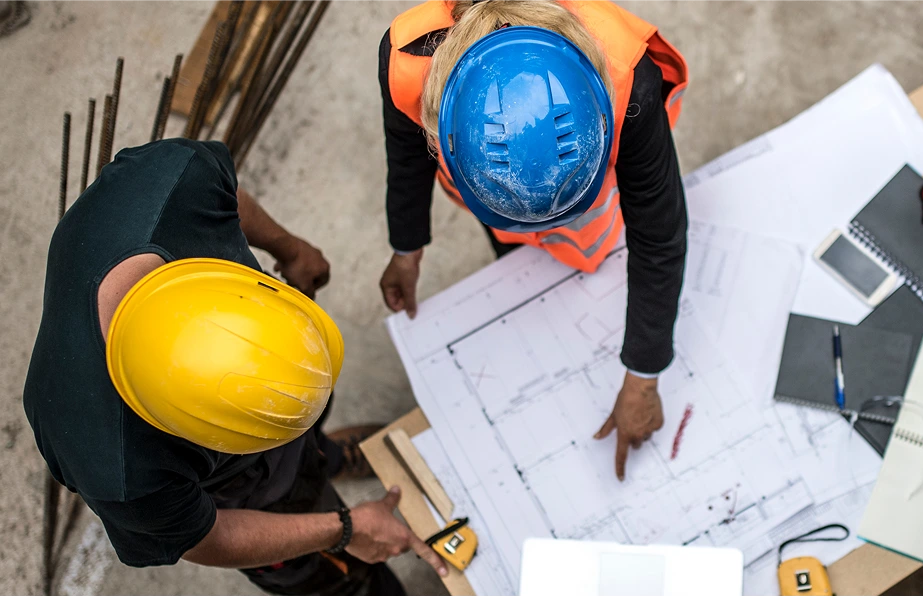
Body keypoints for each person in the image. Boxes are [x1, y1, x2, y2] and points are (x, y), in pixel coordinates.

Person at [23, 139, 447, 596]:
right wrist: (344, 530)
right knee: (333, 581)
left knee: (306, 436)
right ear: (195, 434)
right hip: (238, 493)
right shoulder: (115, 466)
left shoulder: (174, 183)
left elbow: (228, 198)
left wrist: (289, 248)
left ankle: (325, 457)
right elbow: (207, 537)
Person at [377, 0, 689, 480]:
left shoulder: (629, 78)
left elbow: (659, 232)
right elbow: (406, 155)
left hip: (598, 223)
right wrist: (407, 245)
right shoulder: (408, 64)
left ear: (602, 116)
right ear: (445, 133)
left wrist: (643, 378)